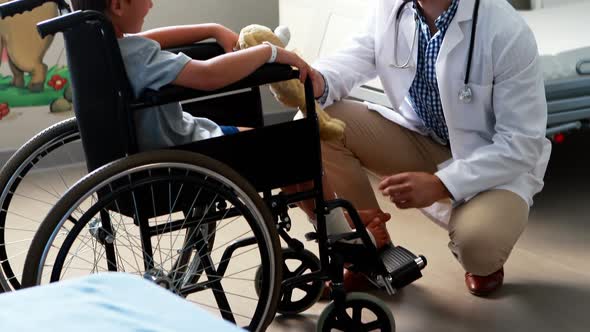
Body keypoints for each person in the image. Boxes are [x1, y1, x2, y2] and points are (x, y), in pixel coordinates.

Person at [69, 1, 393, 261]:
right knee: (297, 150)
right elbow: (209, 77)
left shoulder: (100, 45)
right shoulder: (137, 55)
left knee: (278, 152)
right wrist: (272, 53)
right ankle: (339, 232)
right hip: (186, 156)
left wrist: (212, 29)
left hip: (158, 152)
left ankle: (335, 222)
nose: (151, 4)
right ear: (119, 6)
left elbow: (153, 39)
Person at [306, 0, 551, 296]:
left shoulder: (505, 29)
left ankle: (483, 250)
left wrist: (441, 184)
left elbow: (522, 142)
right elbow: (353, 57)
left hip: (495, 163)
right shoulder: (392, 8)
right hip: (423, 139)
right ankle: (367, 251)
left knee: (478, 248)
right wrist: (317, 80)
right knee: (319, 123)